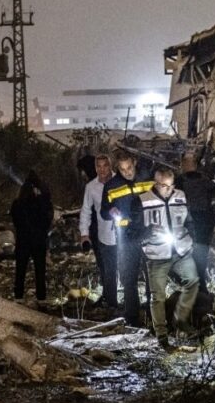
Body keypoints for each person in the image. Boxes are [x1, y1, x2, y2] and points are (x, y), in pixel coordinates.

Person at [138, 166, 199, 350]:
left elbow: (189, 220)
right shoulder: (143, 201)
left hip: (180, 250)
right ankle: (162, 337)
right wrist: (147, 232)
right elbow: (132, 232)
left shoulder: (180, 196)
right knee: (158, 297)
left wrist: (192, 238)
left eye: (170, 186)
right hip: (157, 255)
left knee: (193, 281)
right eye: (164, 186)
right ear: (156, 184)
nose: (168, 189)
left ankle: (180, 319)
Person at [100, 149, 154, 327]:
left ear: (135, 163)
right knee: (128, 278)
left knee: (152, 277)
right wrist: (110, 211)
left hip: (148, 234)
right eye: (122, 169)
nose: (127, 172)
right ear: (118, 168)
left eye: (129, 167)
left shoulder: (148, 178)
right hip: (125, 238)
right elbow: (103, 210)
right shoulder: (111, 186)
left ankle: (154, 314)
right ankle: (132, 318)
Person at [175, 154, 215, 288]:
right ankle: (200, 283)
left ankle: (192, 283)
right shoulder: (206, 180)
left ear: (183, 164)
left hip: (189, 222)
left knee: (187, 253)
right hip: (204, 222)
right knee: (201, 253)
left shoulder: (178, 181)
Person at [79, 154, 118, 309]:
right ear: (95, 168)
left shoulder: (119, 181)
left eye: (105, 166)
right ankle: (111, 303)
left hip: (123, 235)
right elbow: (86, 211)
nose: (102, 170)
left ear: (110, 166)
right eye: (98, 166)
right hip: (104, 235)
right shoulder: (91, 187)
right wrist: (84, 233)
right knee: (107, 270)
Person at [10, 171, 54, 302]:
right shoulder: (41, 202)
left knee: (20, 270)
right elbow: (47, 218)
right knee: (40, 271)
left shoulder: (17, 203)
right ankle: (41, 298)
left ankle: (18, 296)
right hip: (38, 240)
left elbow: (15, 222)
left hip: (23, 240)